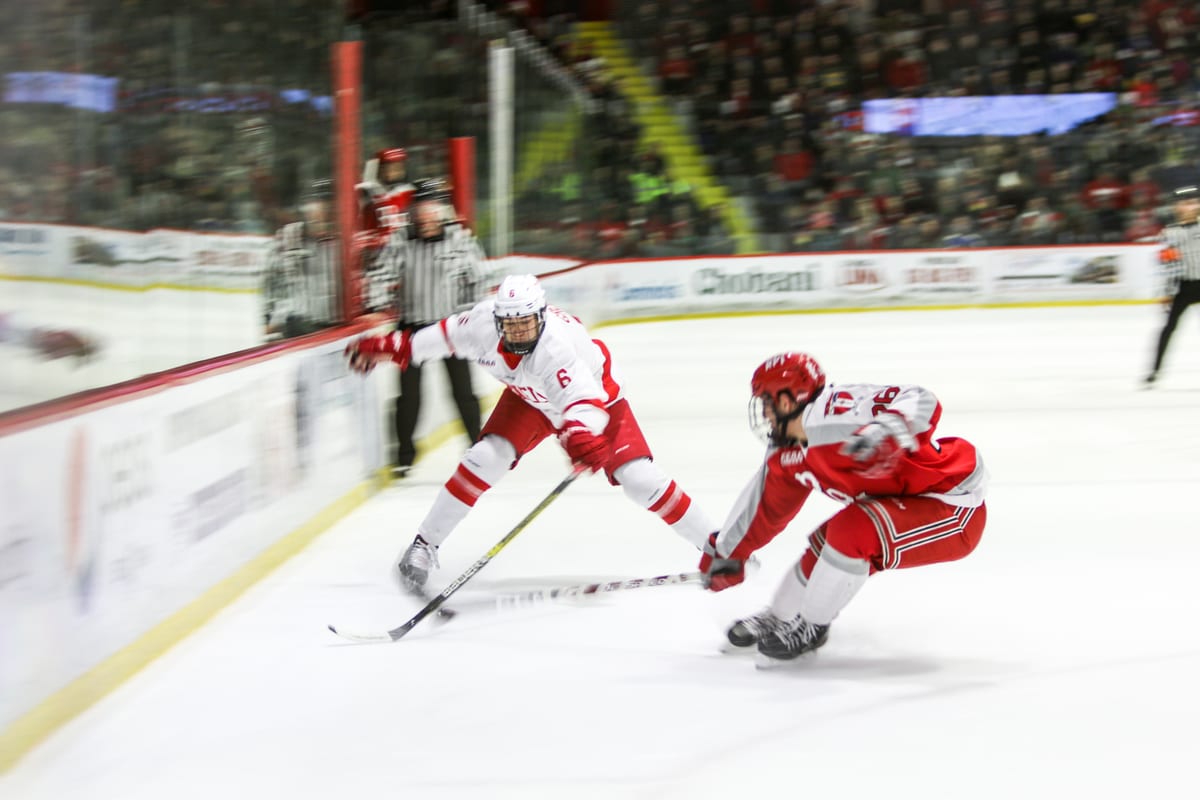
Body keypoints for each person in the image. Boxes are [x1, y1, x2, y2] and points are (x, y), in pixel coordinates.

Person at [344, 273, 718, 594]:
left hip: (599, 400)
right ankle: (424, 545)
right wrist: (391, 347)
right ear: (498, 320)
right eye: (511, 324)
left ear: (540, 315)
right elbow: (439, 337)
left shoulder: (554, 348)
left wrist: (579, 435)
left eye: (527, 322)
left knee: (638, 479)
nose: (520, 331)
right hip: (532, 400)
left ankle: (719, 546)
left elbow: (583, 400)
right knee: (484, 458)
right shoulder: (482, 326)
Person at [700, 352, 988, 663]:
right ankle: (780, 616)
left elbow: (921, 398)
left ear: (787, 400)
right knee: (827, 542)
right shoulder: (787, 450)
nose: (765, 413)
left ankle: (811, 627)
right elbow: (762, 508)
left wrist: (887, 428)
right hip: (899, 502)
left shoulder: (841, 412)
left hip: (952, 505)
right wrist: (728, 555)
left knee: (852, 530)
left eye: (766, 402)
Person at [375, 178, 485, 478]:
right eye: (420, 208)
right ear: (413, 211)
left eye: (431, 207)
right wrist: (378, 303)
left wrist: (468, 317)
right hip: (411, 326)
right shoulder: (401, 240)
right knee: (409, 396)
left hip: (451, 326)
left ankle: (478, 449)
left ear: (442, 209)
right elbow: (380, 275)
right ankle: (403, 456)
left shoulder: (459, 239)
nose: (426, 215)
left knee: (463, 391)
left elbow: (476, 279)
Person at [262, 180, 340, 340]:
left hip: (336, 330)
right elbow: (272, 282)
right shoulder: (288, 237)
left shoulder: (346, 240)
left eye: (329, 205)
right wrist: (270, 322)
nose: (323, 212)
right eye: (318, 204)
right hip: (297, 330)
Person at [1145, 185, 1200, 386]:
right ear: (1177, 207)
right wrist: (1166, 292)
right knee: (1168, 329)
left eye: (1194, 202)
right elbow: (1169, 265)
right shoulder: (1169, 233)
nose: (1191, 206)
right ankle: (1155, 371)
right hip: (1184, 287)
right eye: (1185, 203)